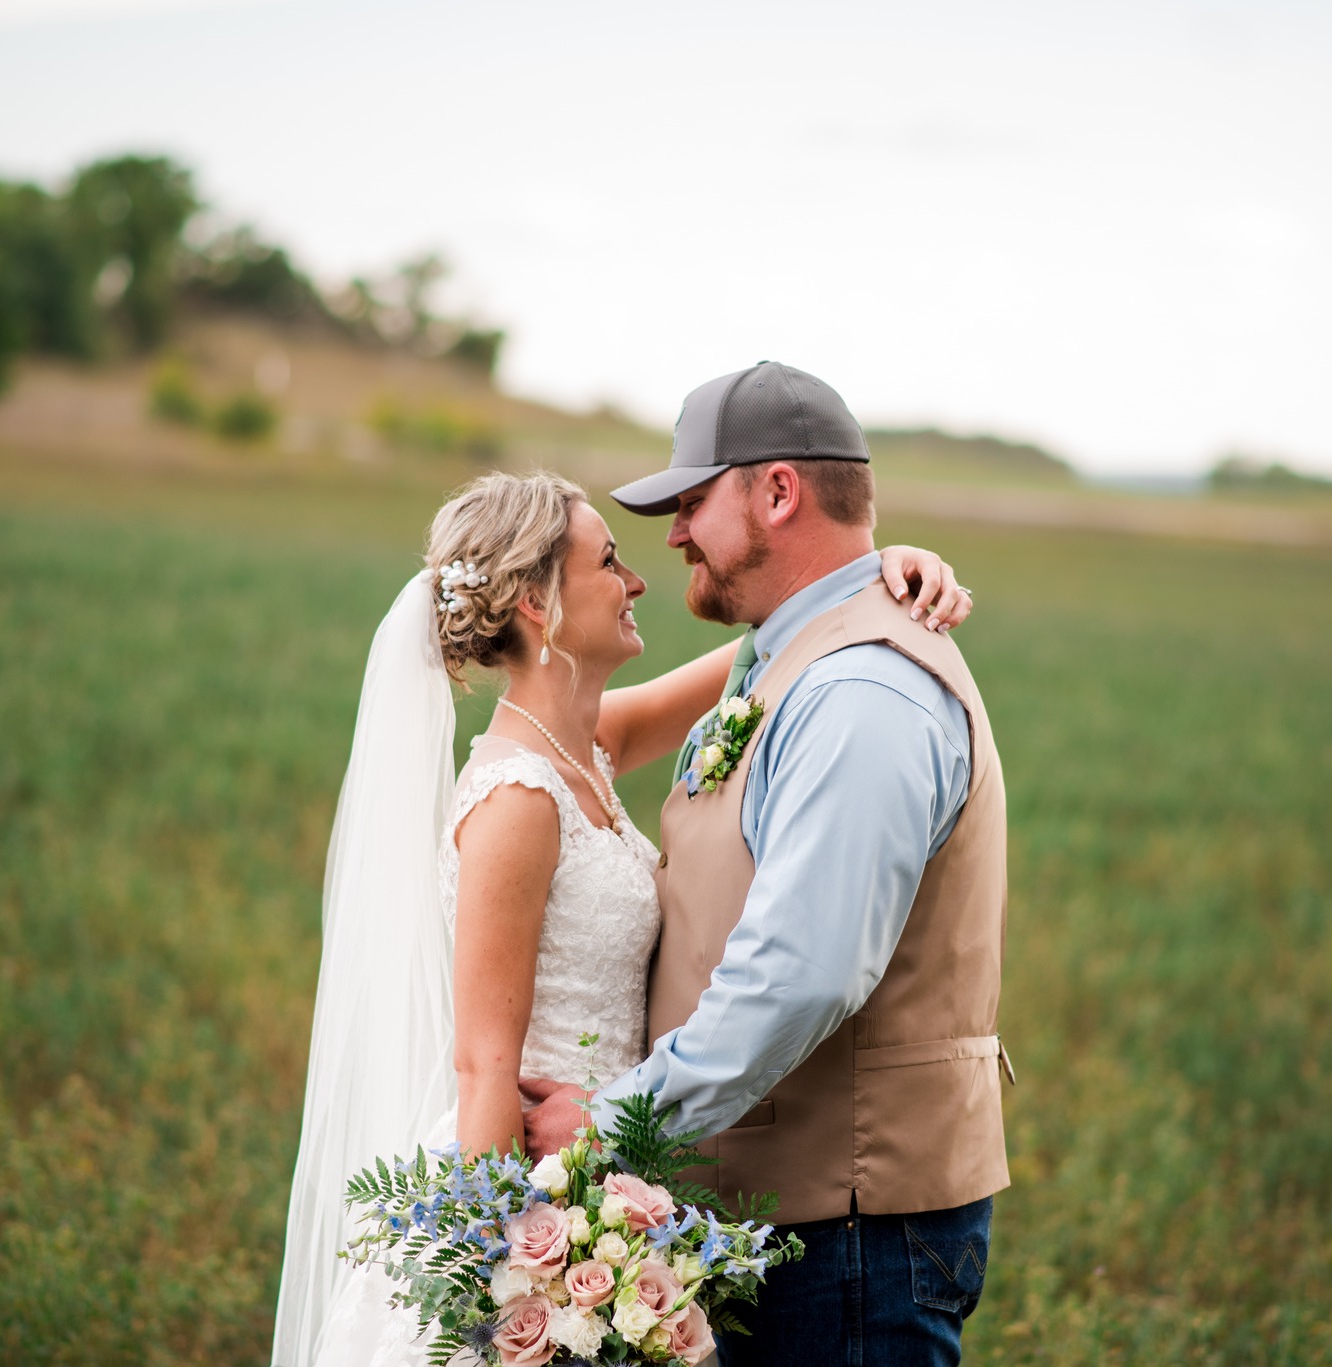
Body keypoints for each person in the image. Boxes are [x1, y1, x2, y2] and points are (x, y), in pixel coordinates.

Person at [272, 456, 972, 1367]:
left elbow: (776, 646)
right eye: (609, 562)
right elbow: (484, 1064)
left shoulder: (585, 746)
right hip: (538, 1189)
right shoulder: (517, 799)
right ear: (537, 603)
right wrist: (506, 1286)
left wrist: (874, 577)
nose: (638, 579)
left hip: (607, 1167)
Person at [523, 361, 1013, 1367]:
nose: (670, 535)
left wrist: (611, 1123)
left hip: (849, 1238)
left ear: (776, 491)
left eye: (692, 502)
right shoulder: (789, 654)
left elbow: (802, 973)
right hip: (794, 1223)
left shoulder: (861, 695)